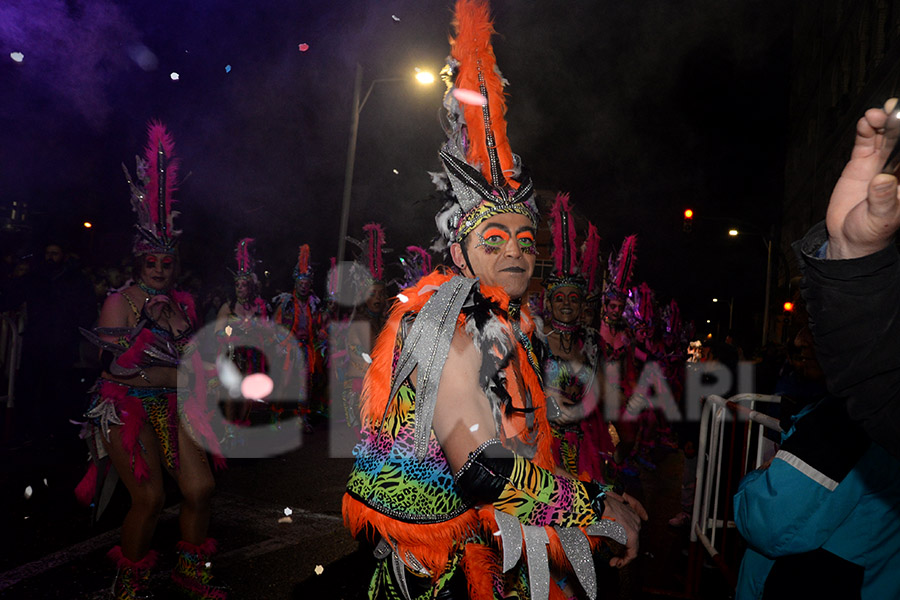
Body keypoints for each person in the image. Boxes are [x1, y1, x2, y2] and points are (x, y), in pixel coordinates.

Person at [343, 3, 646, 598]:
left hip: (488, 548)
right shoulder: (447, 329)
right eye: (495, 238)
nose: (516, 251)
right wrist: (596, 501)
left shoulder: (508, 320)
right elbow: (484, 470)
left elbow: (523, 434)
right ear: (459, 253)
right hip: (436, 573)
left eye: (526, 240)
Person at [733, 100, 900, 598]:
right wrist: (852, 261)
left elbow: (766, 519)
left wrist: (751, 483)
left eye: (810, 326)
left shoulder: (845, 423)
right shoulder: (867, 405)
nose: (803, 338)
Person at [75, 122, 228, 600]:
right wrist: (145, 328)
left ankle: (190, 573)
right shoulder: (120, 301)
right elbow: (115, 367)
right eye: (151, 263)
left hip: (175, 400)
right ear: (138, 263)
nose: (160, 269)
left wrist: (188, 330)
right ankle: (130, 584)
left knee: (200, 490)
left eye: (167, 262)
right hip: (126, 404)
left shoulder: (182, 302)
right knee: (150, 497)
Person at [540, 194, 614, 483]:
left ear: (583, 303)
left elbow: (603, 396)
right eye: (560, 298)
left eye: (574, 298)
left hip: (584, 448)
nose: (567, 304)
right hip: (544, 448)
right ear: (549, 304)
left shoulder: (593, 347)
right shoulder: (536, 341)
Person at [215, 238, 269, 445]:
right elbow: (217, 333)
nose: (240, 288)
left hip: (251, 357)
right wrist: (232, 333)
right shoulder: (228, 307)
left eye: (244, 285)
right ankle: (229, 433)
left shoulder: (258, 308)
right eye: (237, 284)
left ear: (251, 287)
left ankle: (241, 429)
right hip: (231, 356)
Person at [340, 223, 389, 429]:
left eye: (380, 294)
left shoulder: (377, 320)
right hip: (359, 389)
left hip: (372, 387)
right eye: (372, 294)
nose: (377, 298)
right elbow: (375, 352)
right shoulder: (361, 320)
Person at [272, 244, 324, 429]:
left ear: (310, 285)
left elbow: (317, 326)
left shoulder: (313, 304)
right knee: (284, 383)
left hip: (306, 348)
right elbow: (276, 326)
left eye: (306, 284)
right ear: (296, 284)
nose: (303, 287)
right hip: (289, 348)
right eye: (300, 284)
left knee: (305, 384)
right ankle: (276, 416)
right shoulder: (286, 303)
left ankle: (302, 417)